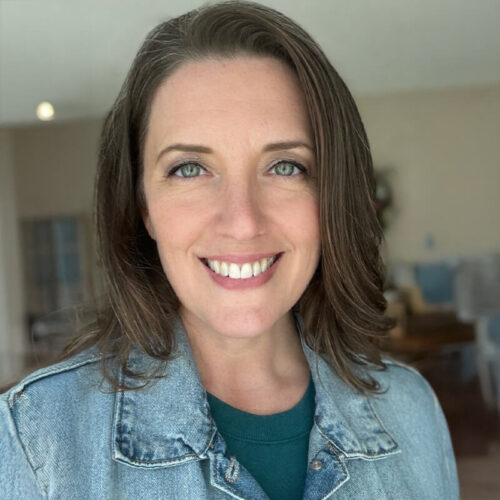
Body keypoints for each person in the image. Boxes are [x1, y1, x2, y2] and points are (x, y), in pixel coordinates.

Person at [0, 2, 459, 498]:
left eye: (285, 166)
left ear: (331, 194)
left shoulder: (412, 411)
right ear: (143, 206)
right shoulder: (38, 439)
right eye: (189, 169)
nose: (242, 222)